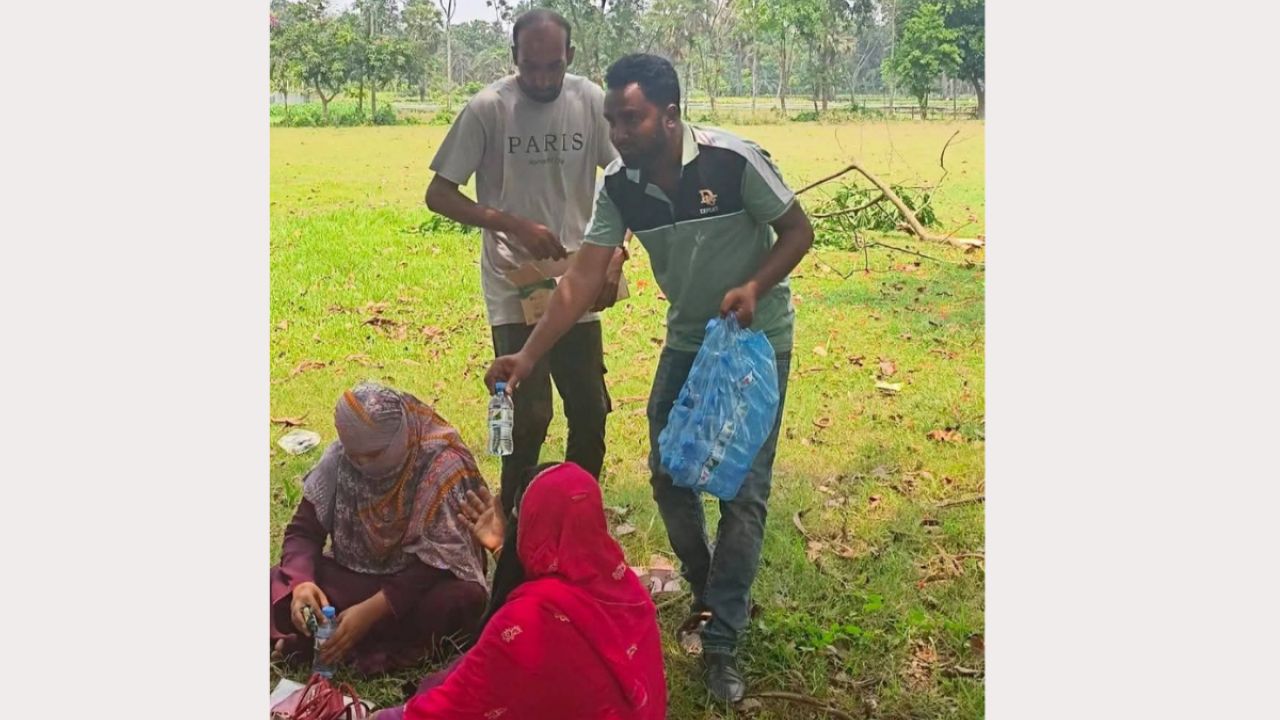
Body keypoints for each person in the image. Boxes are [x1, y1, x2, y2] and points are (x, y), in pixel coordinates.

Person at [485, 53, 815, 702]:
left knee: (744, 492)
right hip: (689, 340)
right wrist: (528, 356)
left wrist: (754, 286)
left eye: (631, 118)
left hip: (755, 343)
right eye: (612, 119)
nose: (618, 132)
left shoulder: (732, 161)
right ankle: (707, 582)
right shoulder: (621, 184)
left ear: (669, 116)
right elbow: (581, 277)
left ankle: (721, 639)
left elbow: (797, 231)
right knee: (667, 473)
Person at [425, 8, 626, 514]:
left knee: (590, 407)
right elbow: (439, 195)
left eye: (553, 66)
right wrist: (512, 224)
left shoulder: (589, 101)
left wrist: (616, 252)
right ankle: (513, 515)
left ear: (570, 57)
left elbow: (626, 179)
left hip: (577, 275)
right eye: (530, 66)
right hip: (513, 280)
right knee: (528, 412)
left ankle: (577, 515)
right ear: (514, 56)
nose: (541, 79)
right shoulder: (489, 108)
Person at [371, 462, 667, 720]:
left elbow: (454, 706)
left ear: (531, 524)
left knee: (443, 681)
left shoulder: (526, 621)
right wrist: (504, 550)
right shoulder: (627, 589)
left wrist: (378, 716)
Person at [269, 382, 491, 675]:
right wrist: (301, 584)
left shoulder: (442, 464)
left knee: (463, 599)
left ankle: (334, 644)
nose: (361, 464)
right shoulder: (340, 457)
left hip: (418, 590)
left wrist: (372, 611)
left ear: (402, 437)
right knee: (276, 580)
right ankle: (339, 640)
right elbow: (304, 531)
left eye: (373, 455)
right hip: (357, 578)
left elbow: (442, 561)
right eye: (354, 455)